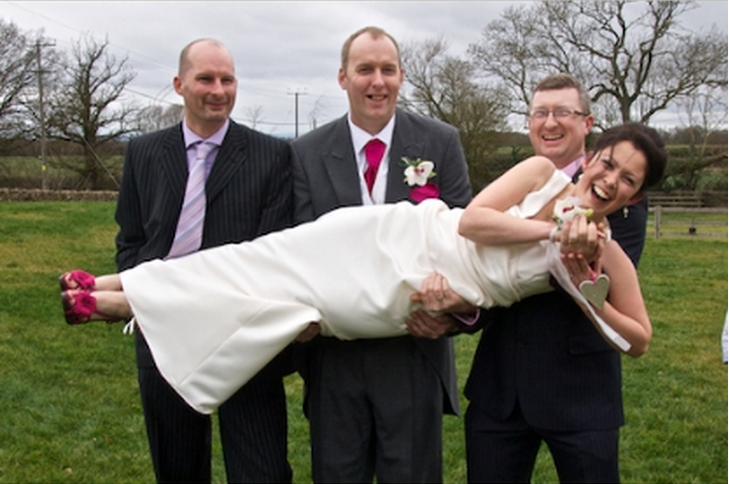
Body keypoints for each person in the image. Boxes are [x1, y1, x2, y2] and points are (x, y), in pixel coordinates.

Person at [59, 123, 665, 435]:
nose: (611, 180)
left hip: (406, 290)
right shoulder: (539, 172)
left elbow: (638, 340)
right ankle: (111, 286)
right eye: (609, 163)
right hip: (401, 234)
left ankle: (129, 304)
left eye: (628, 180)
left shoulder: (604, 252)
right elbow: (475, 222)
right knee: (258, 259)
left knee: (291, 304)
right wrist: (551, 232)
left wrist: (587, 290)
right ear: (592, 155)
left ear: (635, 198)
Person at [289, 25, 474, 483]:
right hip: (335, 356)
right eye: (365, 69)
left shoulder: (439, 142)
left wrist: (451, 316)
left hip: (413, 349)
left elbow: (464, 242)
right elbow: (296, 248)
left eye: (388, 70)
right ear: (342, 77)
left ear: (401, 76)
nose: (378, 82)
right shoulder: (306, 153)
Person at [459, 74, 661, 483]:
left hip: (580, 395)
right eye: (541, 113)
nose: (550, 123)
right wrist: (461, 311)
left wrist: (587, 287)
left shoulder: (618, 223)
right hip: (502, 388)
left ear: (587, 125)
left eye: (563, 112)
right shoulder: (527, 176)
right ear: (593, 158)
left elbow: (629, 328)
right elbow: (479, 253)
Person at [111, 38, 294, 483]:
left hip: (244, 334)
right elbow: (131, 240)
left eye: (227, 80)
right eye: (206, 79)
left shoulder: (271, 155)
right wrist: (143, 299)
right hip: (165, 330)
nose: (218, 90)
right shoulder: (144, 153)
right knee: (178, 469)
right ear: (179, 84)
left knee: (262, 471)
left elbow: (274, 253)